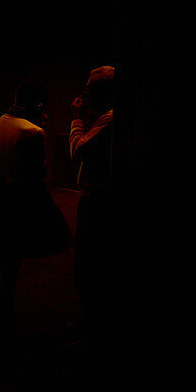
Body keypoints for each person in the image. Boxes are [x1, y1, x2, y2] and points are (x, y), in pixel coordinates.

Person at [0, 79, 51, 345]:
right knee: (9, 268)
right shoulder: (33, 132)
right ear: (38, 104)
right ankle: (5, 325)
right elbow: (38, 172)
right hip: (14, 204)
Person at [69, 65, 115, 345]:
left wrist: (75, 119)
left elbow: (79, 151)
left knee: (89, 268)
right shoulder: (106, 118)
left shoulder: (109, 120)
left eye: (88, 88)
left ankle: (91, 333)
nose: (83, 93)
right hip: (99, 202)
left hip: (97, 204)